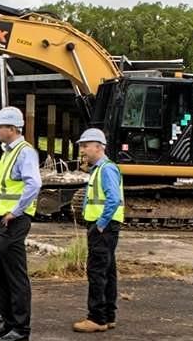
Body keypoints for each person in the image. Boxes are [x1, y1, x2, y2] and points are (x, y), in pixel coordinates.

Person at [0, 107, 41, 341]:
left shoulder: (24, 153)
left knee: (16, 277)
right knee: (4, 276)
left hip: (13, 222)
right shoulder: (8, 153)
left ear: (12, 129)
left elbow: (34, 185)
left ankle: (21, 329)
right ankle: (8, 323)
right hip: (0, 222)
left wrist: (15, 212)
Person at [72, 128, 123, 334]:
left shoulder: (106, 169)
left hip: (103, 227)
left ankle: (96, 318)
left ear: (98, 147)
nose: (82, 150)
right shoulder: (100, 169)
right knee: (108, 271)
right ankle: (108, 316)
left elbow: (113, 199)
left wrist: (100, 224)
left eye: (85, 146)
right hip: (106, 226)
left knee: (97, 271)